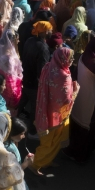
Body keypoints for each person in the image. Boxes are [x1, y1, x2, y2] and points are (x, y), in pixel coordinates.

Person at [33, 47, 78, 175]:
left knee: (48, 140)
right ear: (63, 59)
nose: (72, 60)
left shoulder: (48, 67)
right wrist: (75, 91)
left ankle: (46, 161)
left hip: (45, 109)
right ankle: (35, 163)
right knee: (52, 142)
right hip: (57, 115)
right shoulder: (63, 75)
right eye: (70, 58)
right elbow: (66, 101)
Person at [63, 36, 95, 163]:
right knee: (88, 124)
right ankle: (81, 155)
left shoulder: (83, 56)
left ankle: (72, 150)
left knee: (77, 122)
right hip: (89, 98)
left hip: (78, 95)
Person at [21, 21, 53, 135]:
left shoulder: (30, 41)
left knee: (21, 103)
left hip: (25, 79)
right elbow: (42, 71)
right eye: (49, 30)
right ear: (44, 32)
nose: (51, 32)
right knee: (35, 109)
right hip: (34, 84)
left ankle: (11, 122)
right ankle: (32, 132)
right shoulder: (43, 48)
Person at [0, 29, 22, 114]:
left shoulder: (0, 51)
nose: (18, 41)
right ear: (13, 40)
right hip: (8, 89)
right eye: (17, 39)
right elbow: (11, 79)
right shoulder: (10, 58)